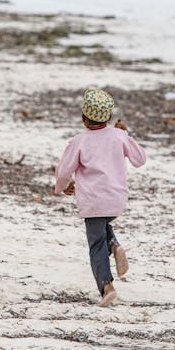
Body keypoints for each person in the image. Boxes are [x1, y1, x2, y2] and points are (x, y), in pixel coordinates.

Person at [55, 89, 147, 306]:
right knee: (103, 225)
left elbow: (64, 172)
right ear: (108, 117)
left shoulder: (79, 141)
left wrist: (62, 187)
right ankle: (114, 245)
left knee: (96, 244)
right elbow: (140, 159)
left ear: (83, 117)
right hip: (116, 200)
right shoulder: (118, 136)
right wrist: (126, 135)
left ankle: (107, 287)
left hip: (92, 200)